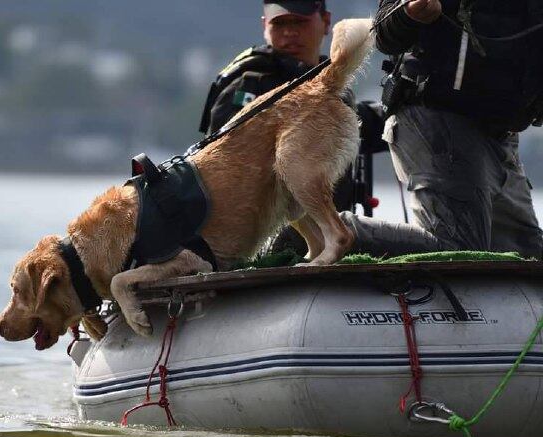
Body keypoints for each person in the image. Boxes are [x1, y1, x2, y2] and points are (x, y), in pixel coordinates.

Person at [339, 0, 543, 259]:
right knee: (460, 247)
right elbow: (383, 33)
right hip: (435, 120)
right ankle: (329, 229)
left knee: (530, 257)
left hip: (501, 136)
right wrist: (410, 12)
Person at [199, 0, 357, 254]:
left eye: (299, 22)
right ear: (265, 26)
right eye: (280, 23)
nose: (290, 32)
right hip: (272, 233)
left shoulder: (336, 85)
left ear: (326, 21)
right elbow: (218, 170)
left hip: (328, 220)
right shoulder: (247, 84)